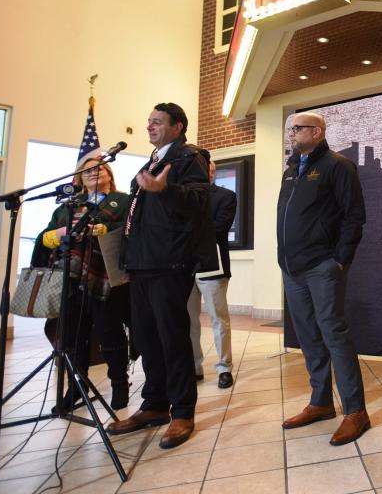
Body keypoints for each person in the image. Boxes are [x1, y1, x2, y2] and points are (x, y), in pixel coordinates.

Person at [107, 102, 216, 450]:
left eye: (157, 122)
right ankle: (154, 405)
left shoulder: (189, 158)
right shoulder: (149, 164)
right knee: (146, 339)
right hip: (140, 264)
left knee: (172, 338)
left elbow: (199, 202)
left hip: (169, 263)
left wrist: (165, 189)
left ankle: (182, 411)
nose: (150, 127)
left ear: (177, 126)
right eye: (148, 121)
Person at [278, 112, 369, 446]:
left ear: (316, 132)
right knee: (309, 336)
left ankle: (356, 412)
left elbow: (354, 216)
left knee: (333, 333)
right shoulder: (292, 170)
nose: (290, 134)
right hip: (292, 269)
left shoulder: (336, 166)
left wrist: (339, 261)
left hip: (322, 266)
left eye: (296, 129)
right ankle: (320, 403)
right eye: (289, 129)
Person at [32, 156, 131, 411]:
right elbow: (44, 237)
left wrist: (106, 229)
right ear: (78, 179)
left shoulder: (123, 201)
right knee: (73, 335)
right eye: (86, 171)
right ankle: (77, 386)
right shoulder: (67, 207)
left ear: (109, 173)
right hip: (70, 278)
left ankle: (119, 384)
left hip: (106, 278)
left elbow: (132, 229)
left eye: (98, 168)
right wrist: (58, 235)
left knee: (110, 331)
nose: (92, 173)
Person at [187, 148, 237, 389]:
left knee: (218, 319)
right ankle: (194, 367)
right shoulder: (182, 197)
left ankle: (224, 367)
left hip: (212, 266)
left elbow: (218, 229)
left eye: (209, 169)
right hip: (185, 267)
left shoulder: (225, 196)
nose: (205, 171)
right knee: (189, 321)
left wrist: (185, 231)